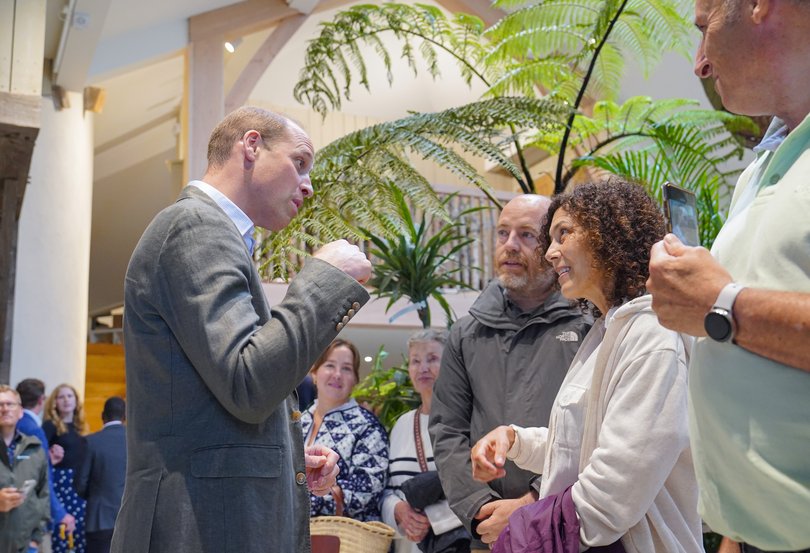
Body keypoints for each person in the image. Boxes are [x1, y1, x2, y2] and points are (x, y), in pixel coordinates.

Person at [112, 106, 372, 553]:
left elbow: (214, 401)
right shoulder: (195, 226)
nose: (308, 186)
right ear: (251, 146)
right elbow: (248, 380)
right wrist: (325, 279)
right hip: (198, 526)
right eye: (301, 163)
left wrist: (286, 456)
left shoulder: (211, 234)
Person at [645, 0, 810, 550]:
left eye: (704, 29)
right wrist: (737, 529)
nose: (700, 65)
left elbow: (727, 309)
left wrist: (721, 306)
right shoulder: (764, 162)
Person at [471, 179, 702, 553]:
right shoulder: (605, 332)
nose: (550, 253)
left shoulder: (651, 333)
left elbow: (614, 489)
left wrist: (523, 529)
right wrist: (516, 440)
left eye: (563, 234)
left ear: (609, 234)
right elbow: (582, 444)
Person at [429, 194, 592, 551]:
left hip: (568, 526)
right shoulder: (466, 332)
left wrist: (530, 503)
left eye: (526, 235)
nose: (510, 246)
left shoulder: (590, 324)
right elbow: (447, 432)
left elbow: (595, 431)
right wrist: (481, 508)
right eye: (503, 234)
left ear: (553, 246)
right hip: (491, 534)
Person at [382, 329, 470, 553]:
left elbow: (485, 486)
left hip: (458, 544)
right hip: (408, 546)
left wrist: (434, 518)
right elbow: (387, 489)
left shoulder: (470, 421)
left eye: (432, 359)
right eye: (415, 361)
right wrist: (399, 510)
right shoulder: (402, 424)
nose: (422, 368)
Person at [301, 339, 389, 521]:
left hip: (340, 539)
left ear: (355, 380)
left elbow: (367, 490)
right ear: (315, 373)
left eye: (347, 368)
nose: (337, 374)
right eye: (330, 365)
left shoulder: (367, 426)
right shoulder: (299, 421)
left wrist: (299, 501)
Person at [15, 379, 76, 542]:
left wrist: (48, 461)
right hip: (29, 514)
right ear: (42, 400)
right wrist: (60, 513)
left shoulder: (17, 423)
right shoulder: (35, 429)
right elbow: (42, 478)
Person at [0, 385, 50, 553]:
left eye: (10, 404)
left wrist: (35, 541)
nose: (5, 408)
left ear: (20, 411)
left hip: (24, 546)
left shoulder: (35, 449)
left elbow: (44, 495)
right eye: (0, 405)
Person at [75, 397, 127, 553]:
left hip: (98, 519)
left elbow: (80, 484)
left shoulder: (91, 442)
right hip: (129, 517)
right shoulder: (135, 443)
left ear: (103, 415)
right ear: (125, 416)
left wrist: (95, 496)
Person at [42, 384, 87, 553]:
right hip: (61, 486)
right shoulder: (50, 426)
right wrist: (50, 456)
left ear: (76, 401)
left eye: (70, 396)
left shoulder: (80, 427)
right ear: (55, 402)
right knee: (61, 533)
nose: (66, 400)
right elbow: (38, 457)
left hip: (78, 488)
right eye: (61, 397)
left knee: (78, 535)